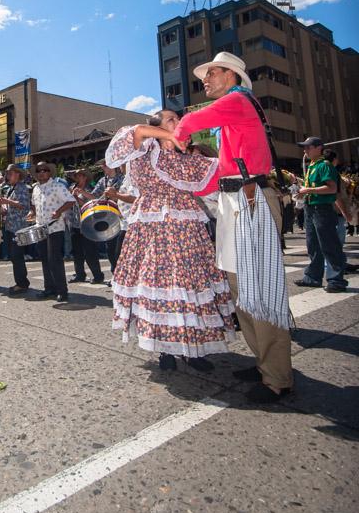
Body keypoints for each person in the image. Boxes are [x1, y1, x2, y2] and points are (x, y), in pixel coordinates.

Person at [165, 51, 293, 404]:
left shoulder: (237, 101)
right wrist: (186, 186)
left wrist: (176, 136)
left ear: (232, 76)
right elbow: (220, 173)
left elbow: (190, 123)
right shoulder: (230, 116)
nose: (204, 79)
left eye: (212, 73)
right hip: (236, 200)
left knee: (260, 293)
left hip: (250, 202)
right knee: (241, 291)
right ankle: (265, 362)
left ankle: (277, 377)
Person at [107, 112, 235, 370]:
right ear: (158, 127)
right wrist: (170, 136)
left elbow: (223, 170)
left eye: (179, 120)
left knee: (188, 284)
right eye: (171, 119)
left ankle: (193, 350)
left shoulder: (186, 159)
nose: (179, 123)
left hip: (186, 227)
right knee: (157, 284)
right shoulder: (143, 149)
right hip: (152, 225)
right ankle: (163, 349)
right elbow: (135, 132)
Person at [294, 138, 348, 292]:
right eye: (304, 148)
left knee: (329, 244)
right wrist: (303, 192)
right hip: (311, 208)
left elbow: (331, 189)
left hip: (322, 209)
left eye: (308, 147)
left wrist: (308, 191)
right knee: (313, 245)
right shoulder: (312, 166)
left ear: (319, 148)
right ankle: (313, 277)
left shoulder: (325, 165)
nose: (305, 150)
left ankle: (336, 280)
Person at [29, 162, 77, 304]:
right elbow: (34, 205)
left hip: (55, 227)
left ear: (50, 173)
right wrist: (32, 212)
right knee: (44, 258)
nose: (41, 172)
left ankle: (62, 291)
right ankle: (49, 288)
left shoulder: (57, 186)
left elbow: (71, 200)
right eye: (39, 170)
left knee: (54, 259)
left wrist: (59, 211)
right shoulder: (36, 188)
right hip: (40, 227)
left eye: (45, 170)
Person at [0, 164, 31, 293]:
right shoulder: (11, 188)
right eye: (7, 173)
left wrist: (7, 202)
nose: (7, 176)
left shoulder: (22, 187)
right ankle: (21, 282)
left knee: (17, 256)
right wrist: (4, 208)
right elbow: (12, 206)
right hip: (11, 226)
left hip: (18, 227)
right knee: (14, 256)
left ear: (17, 174)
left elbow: (24, 205)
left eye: (10, 173)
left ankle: (22, 283)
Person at [68, 169, 104, 284]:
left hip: (87, 223)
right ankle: (80, 274)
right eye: (76, 176)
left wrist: (77, 198)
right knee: (77, 252)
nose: (78, 178)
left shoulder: (89, 189)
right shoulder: (72, 187)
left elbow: (90, 205)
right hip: (75, 223)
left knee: (90, 251)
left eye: (80, 176)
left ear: (85, 178)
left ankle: (97, 275)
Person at [92, 161, 124, 275]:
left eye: (104, 164)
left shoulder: (122, 178)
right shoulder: (103, 180)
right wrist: (82, 193)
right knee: (110, 248)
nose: (102, 167)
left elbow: (123, 196)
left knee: (119, 249)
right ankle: (114, 274)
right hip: (108, 218)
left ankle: (120, 275)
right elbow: (94, 196)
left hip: (121, 217)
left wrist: (114, 195)